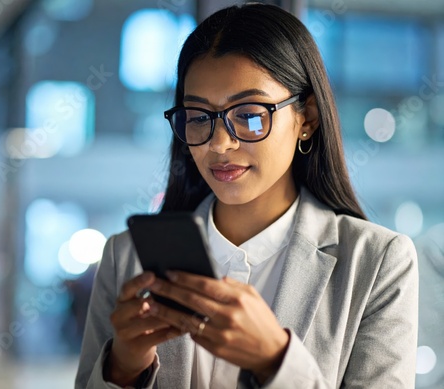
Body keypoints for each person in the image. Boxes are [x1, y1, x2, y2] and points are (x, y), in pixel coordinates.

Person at [75, 3, 418, 388]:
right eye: (200, 117)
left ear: (307, 118)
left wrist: (275, 359)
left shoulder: (377, 263)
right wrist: (123, 368)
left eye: (250, 115)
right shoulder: (127, 258)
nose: (220, 144)